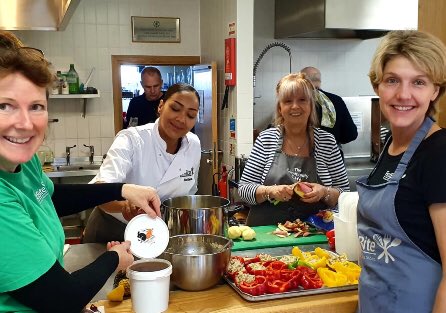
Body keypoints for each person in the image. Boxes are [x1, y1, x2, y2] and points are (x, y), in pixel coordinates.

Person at [0, 31, 162, 312]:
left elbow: (48, 199)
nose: (25, 123)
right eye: (5, 106)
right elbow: (61, 298)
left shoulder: (24, 163)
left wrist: (122, 189)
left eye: (36, 106)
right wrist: (114, 258)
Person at [356, 30, 446, 313]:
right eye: (392, 80)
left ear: (436, 90)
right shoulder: (392, 146)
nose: (403, 94)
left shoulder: (438, 154)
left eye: (418, 82)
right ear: (377, 86)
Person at [83, 83, 201, 243]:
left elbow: (189, 195)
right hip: (113, 231)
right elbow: (98, 191)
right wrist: (124, 206)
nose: (181, 119)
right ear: (161, 106)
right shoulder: (131, 139)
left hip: (158, 235)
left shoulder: (193, 145)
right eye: (175, 108)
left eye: (191, 115)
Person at [238, 72, 350, 226]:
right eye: (288, 101)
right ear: (280, 107)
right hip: (265, 234)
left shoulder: (327, 142)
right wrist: (269, 191)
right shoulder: (266, 139)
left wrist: (324, 192)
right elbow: (244, 190)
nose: (295, 106)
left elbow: (345, 195)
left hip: (313, 235)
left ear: (311, 105)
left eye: (302, 100)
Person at [300, 66, 358, 156]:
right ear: (319, 81)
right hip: (333, 159)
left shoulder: (294, 102)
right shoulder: (336, 100)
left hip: (302, 159)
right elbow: (351, 134)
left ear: (300, 82)